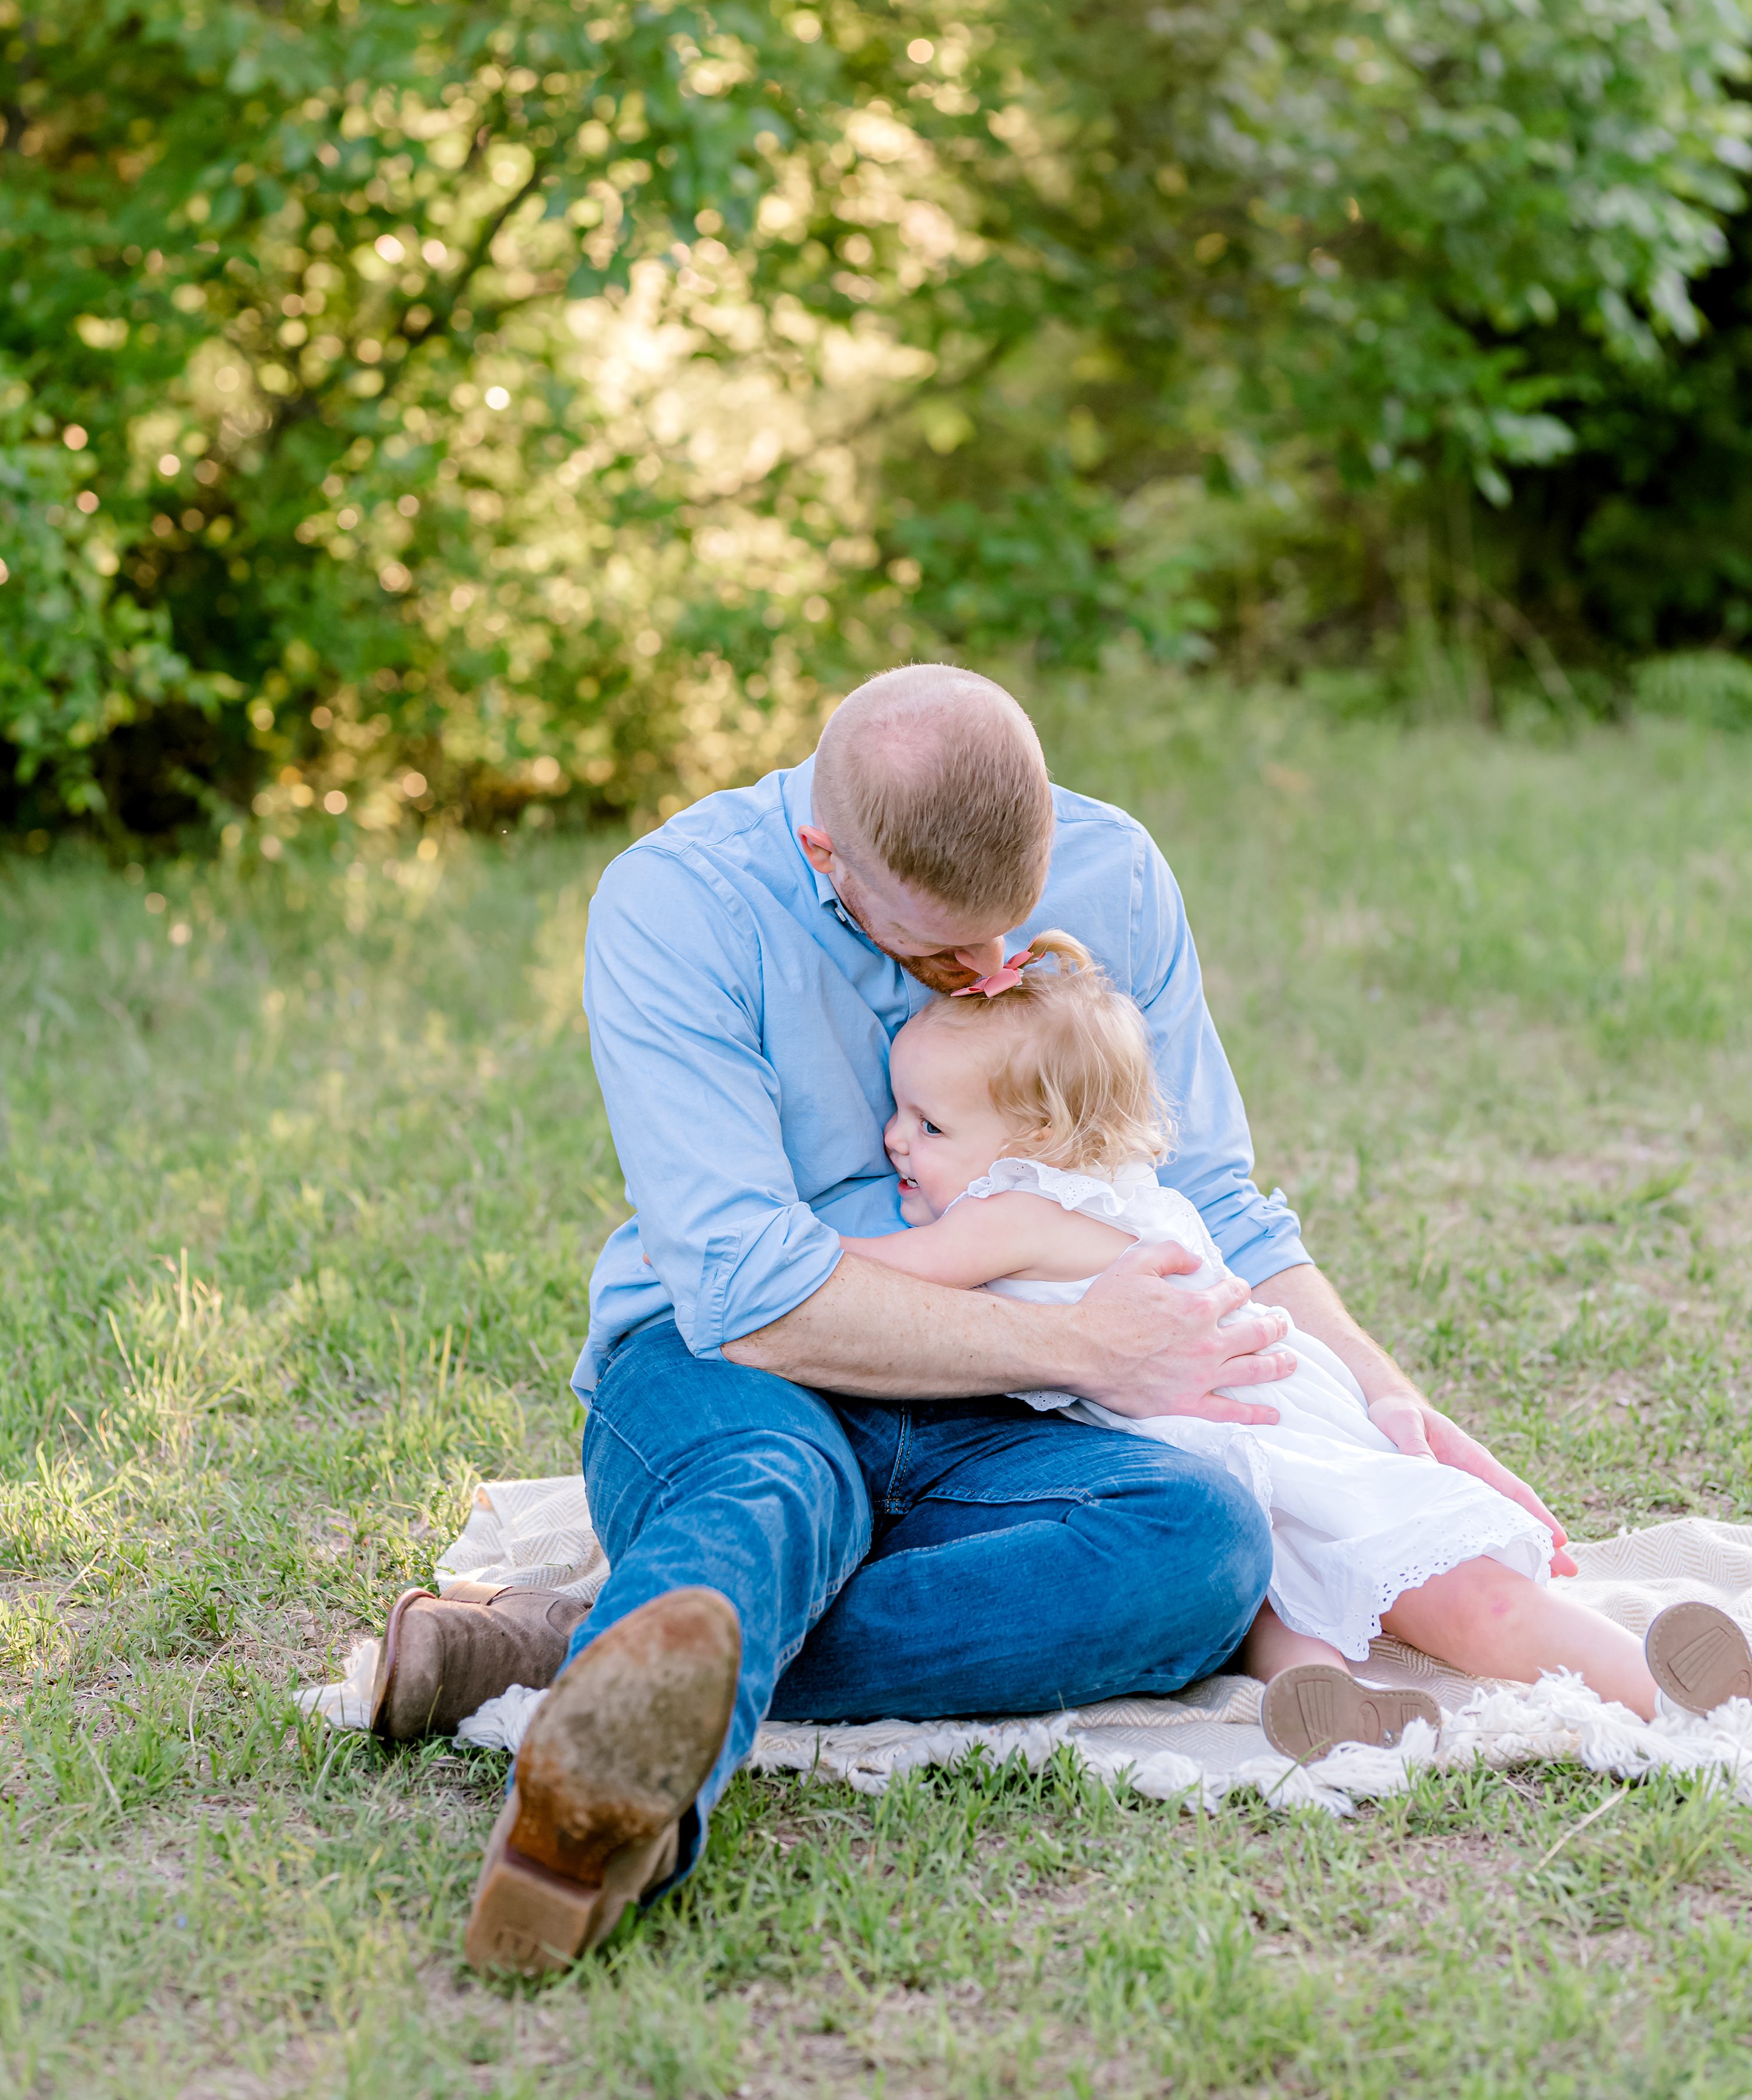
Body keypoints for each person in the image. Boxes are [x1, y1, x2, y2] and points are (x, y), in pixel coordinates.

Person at [368, 665, 1583, 1974]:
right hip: (740, 1369)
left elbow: (1206, 1195)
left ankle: (590, 1640)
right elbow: (751, 1292)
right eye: (945, 952)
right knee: (771, 1493)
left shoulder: (1115, 871)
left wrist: (1376, 1388)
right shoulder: (680, 906)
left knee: (1206, 1541)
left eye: (1014, 928)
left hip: (1021, 1420)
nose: (996, 970)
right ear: (829, 857)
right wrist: (1084, 1346)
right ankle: (594, 1815)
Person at [847, 929, 1750, 1747]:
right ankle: (1624, 1672)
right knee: (1414, 1586)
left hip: (1218, 1432)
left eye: (928, 1124)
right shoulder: (1128, 1188)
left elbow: (877, 1269)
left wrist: (753, 1235)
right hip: (1274, 1416)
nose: (894, 1138)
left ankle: (1330, 1684)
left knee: (1280, 1593)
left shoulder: (1007, 1211)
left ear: (1032, 1140)